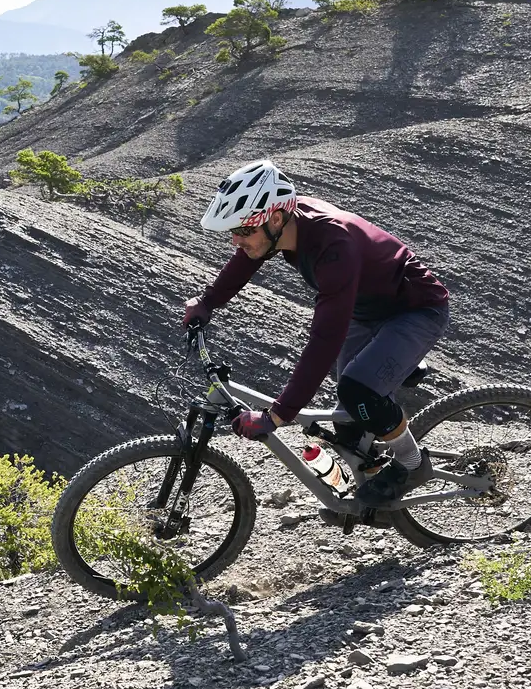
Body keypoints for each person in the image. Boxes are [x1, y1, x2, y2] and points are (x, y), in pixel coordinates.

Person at [183, 159, 450, 507]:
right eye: (233, 231)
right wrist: (207, 302)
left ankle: (412, 465)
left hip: (415, 308)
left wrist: (278, 414)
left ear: (275, 219)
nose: (236, 240)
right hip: (366, 308)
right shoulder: (280, 225)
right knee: (348, 420)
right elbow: (247, 257)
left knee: (359, 394)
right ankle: (374, 498)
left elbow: (325, 340)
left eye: (243, 231)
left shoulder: (332, 246)